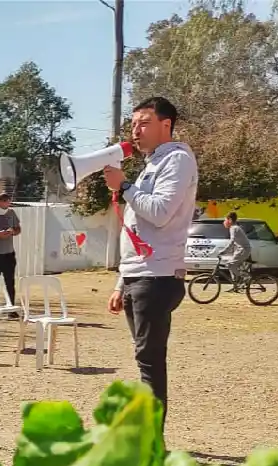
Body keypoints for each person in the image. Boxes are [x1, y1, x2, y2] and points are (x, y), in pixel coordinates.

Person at [103, 95, 198, 420]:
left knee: (150, 361)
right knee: (146, 358)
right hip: (139, 276)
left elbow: (159, 213)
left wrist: (125, 186)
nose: (136, 130)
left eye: (144, 123)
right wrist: (121, 282)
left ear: (165, 124)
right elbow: (136, 230)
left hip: (156, 277)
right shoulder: (154, 164)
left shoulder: (178, 160)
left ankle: (150, 442)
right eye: (133, 124)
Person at [214, 212, 252, 290]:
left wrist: (223, 251)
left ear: (230, 220)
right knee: (231, 264)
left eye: (225, 220)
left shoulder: (234, 228)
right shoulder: (234, 228)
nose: (224, 222)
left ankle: (246, 277)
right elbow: (235, 243)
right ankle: (235, 285)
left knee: (230, 265)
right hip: (239, 250)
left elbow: (232, 241)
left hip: (243, 250)